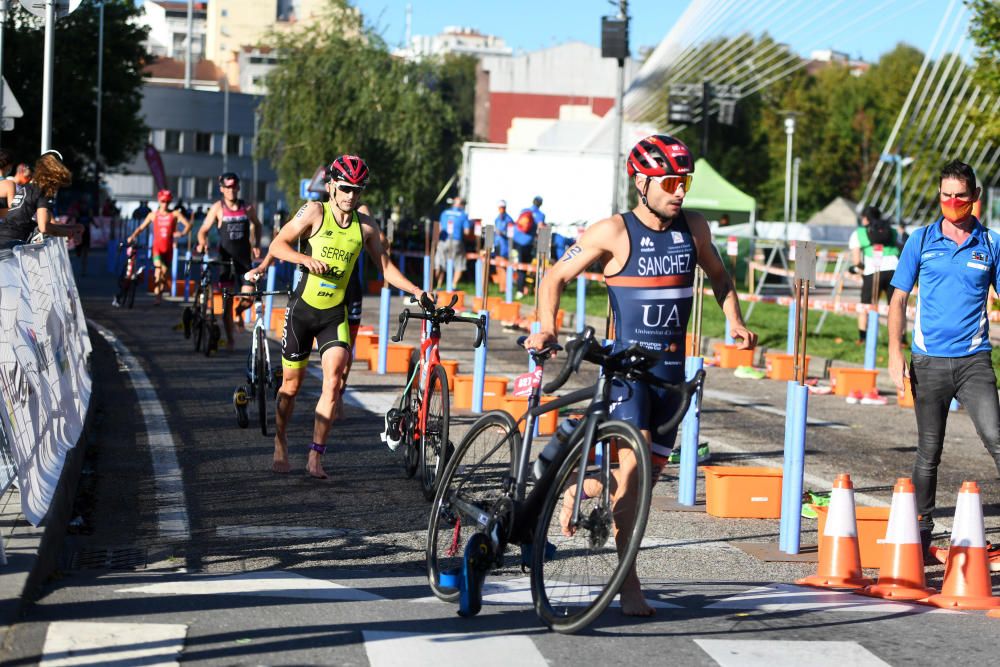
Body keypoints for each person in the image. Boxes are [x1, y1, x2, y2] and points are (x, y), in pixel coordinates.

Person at [525, 134, 757, 616]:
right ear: (642, 183)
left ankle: (578, 483)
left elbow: (719, 276)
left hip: (672, 377)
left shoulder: (694, 227)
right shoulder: (612, 232)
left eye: (685, 181)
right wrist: (547, 326)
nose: (680, 191)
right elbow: (554, 277)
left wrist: (733, 318)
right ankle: (628, 583)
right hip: (628, 373)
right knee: (633, 477)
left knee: (645, 482)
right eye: (671, 182)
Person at [267, 155, 427, 479]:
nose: (350, 196)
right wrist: (303, 258)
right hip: (301, 312)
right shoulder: (314, 211)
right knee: (291, 386)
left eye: (357, 190)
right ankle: (281, 439)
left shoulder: (365, 226)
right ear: (330, 186)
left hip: (333, 314)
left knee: (334, 380)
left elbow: (385, 268)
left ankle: (316, 456)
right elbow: (277, 244)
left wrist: (417, 290)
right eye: (345, 189)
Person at [888, 159, 1000, 563]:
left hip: (974, 362)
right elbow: (898, 298)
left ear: (975, 198)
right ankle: (919, 535)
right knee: (929, 451)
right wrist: (894, 352)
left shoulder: (991, 244)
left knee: (997, 440)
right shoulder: (921, 239)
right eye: (946, 195)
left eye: (960, 196)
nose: (952, 202)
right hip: (928, 362)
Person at [196, 172, 262, 349]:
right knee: (227, 303)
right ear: (222, 189)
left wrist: (255, 244)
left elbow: (258, 224)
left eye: (234, 187)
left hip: (244, 262)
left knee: (248, 297)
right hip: (225, 262)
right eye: (227, 187)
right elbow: (203, 229)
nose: (231, 191)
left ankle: (239, 311)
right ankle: (231, 340)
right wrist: (202, 242)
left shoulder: (247, 207)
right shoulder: (218, 208)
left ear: (238, 187)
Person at [0, 150, 81, 248]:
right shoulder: (41, 190)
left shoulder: (28, 187)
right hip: (14, 242)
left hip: (5, 237)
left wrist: (73, 228)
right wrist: (70, 233)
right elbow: (44, 227)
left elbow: (40, 223)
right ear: (53, 177)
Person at [127, 189, 191, 305]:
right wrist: (132, 236)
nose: (165, 204)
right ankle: (157, 297)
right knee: (158, 271)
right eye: (163, 201)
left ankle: (160, 292)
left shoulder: (175, 214)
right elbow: (141, 227)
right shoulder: (153, 215)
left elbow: (188, 225)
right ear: (159, 201)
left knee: (164, 273)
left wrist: (181, 234)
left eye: (167, 201)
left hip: (168, 249)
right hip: (157, 249)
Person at [848, 205, 900, 345]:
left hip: (872, 270)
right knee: (896, 306)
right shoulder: (892, 231)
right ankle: (900, 340)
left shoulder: (859, 233)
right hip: (894, 270)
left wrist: (858, 269)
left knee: (865, 306)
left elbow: (857, 260)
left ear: (865, 219)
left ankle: (862, 338)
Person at [432, 196, 471, 290]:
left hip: (443, 241)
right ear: (461, 205)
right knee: (459, 263)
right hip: (456, 241)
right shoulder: (463, 215)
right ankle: (453, 286)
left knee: (440, 263)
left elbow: (439, 229)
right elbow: (467, 232)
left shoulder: (444, 213)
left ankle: (439, 285)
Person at [512, 197, 544, 299]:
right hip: (526, 243)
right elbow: (540, 229)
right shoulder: (540, 215)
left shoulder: (524, 210)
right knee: (524, 267)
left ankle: (519, 288)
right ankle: (521, 290)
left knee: (516, 266)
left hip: (515, 240)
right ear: (541, 204)